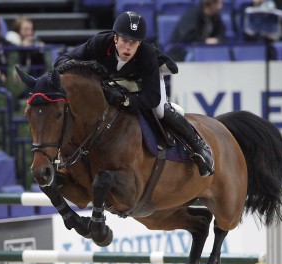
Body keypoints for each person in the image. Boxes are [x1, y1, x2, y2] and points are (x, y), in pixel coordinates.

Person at [54, 11, 214, 176]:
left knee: (160, 110)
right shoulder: (99, 43)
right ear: (115, 38)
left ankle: (199, 147)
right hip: (113, 81)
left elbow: (152, 98)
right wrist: (72, 65)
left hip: (142, 81)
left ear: (140, 43)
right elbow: (63, 59)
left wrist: (125, 100)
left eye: (134, 42)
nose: (128, 48)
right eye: (124, 41)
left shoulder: (147, 54)